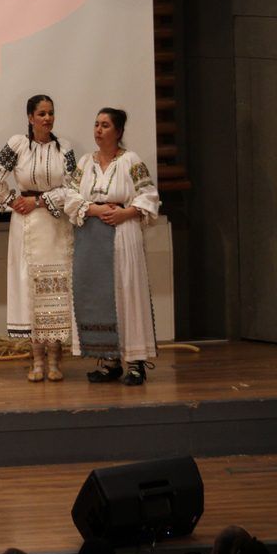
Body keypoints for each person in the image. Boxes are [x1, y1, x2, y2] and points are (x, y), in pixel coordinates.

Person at [61, 108, 160, 385]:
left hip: (123, 233)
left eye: (105, 125)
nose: (98, 130)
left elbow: (149, 195)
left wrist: (125, 213)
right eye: (96, 124)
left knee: (127, 291)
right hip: (91, 236)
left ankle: (135, 362)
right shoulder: (85, 162)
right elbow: (69, 195)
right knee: (97, 295)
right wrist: (94, 209)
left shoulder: (131, 161)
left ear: (118, 131)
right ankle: (109, 359)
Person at [0, 94, 77, 382]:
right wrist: (12, 200)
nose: (47, 118)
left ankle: (55, 359)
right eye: (41, 113)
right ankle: (36, 359)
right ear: (30, 117)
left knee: (56, 290)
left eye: (51, 113)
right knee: (31, 290)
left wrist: (39, 201)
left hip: (55, 225)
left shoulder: (64, 148)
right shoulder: (18, 145)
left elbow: (75, 188)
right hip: (25, 225)